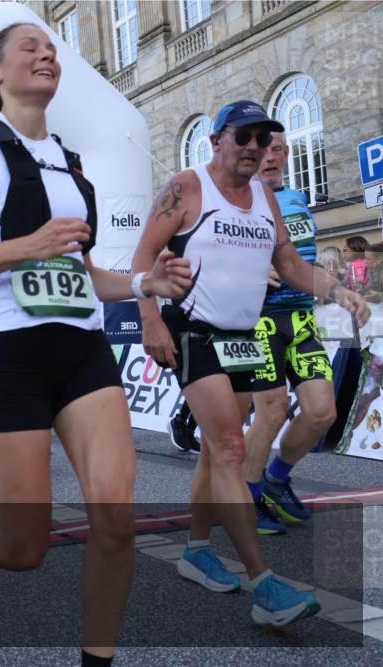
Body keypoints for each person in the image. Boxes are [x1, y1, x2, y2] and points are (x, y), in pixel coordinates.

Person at [0, 23, 192, 667]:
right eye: (30, 48)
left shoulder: (70, 159)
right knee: (25, 546)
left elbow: (82, 272)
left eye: (51, 49)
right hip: (12, 355)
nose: (46, 55)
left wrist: (144, 282)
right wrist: (29, 245)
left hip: (83, 352)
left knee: (116, 523)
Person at [132, 100, 369, 627]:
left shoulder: (265, 198)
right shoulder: (187, 187)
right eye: (243, 137)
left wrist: (337, 290)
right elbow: (143, 256)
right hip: (193, 330)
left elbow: (290, 264)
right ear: (216, 140)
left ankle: (197, 550)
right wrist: (150, 320)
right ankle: (265, 587)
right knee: (230, 448)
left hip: (242, 336)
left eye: (262, 139)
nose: (254, 148)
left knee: (214, 452)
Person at [240, 131, 343, 534]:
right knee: (270, 413)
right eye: (263, 150)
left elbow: (305, 259)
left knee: (322, 413)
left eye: (278, 149)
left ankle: (276, 480)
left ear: (285, 154)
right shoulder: (239, 200)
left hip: (301, 319)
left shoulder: (298, 199)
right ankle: (247, 499)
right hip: (259, 321)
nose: (271, 156)